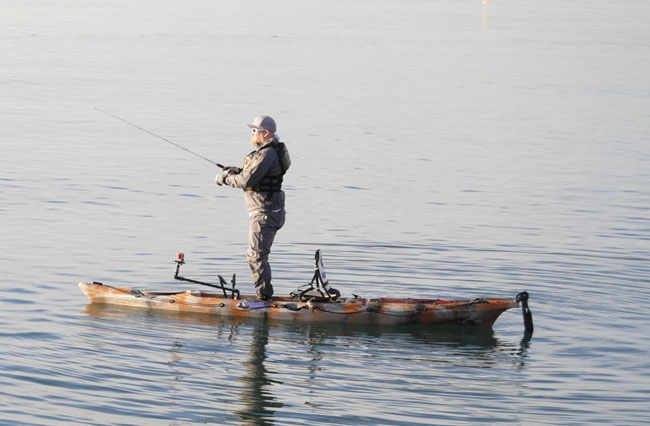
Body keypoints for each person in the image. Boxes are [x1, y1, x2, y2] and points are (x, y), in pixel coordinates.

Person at [215, 115, 290, 301]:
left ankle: (264, 300)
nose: (252, 133)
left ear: (266, 133)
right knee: (258, 255)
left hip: (264, 214)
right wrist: (237, 171)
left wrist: (223, 179)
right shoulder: (271, 151)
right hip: (269, 212)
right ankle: (265, 296)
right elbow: (255, 175)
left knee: (255, 256)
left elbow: (247, 181)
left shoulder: (267, 153)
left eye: (255, 130)